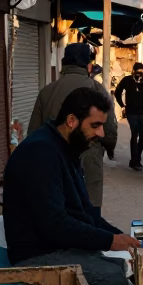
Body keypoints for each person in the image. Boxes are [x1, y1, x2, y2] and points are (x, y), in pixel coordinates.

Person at [3, 87, 140, 285]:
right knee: (114, 284)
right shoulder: (41, 152)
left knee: (126, 272)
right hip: (37, 255)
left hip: (58, 247)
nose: (100, 133)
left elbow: (87, 213)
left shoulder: (68, 148)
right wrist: (110, 241)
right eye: (95, 125)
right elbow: (55, 224)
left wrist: (123, 239)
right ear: (71, 121)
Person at [27, 43, 118, 211]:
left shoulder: (47, 91)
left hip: (53, 162)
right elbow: (110, 132)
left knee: (59, 212)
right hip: (89, 162)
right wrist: (107, 148)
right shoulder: (98, 90)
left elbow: (33, 133)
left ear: (63, 65)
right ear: (89, 66)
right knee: (90, 214)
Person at [114, 62, 143, 170]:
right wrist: (122, 105)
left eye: (141, 71)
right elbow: (117, 92)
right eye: (138, 71)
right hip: (132, 112)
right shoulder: (127, 80)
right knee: (135, 134)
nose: (140, 73)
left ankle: (136, 157)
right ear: (134, 71)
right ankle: (135, 160)